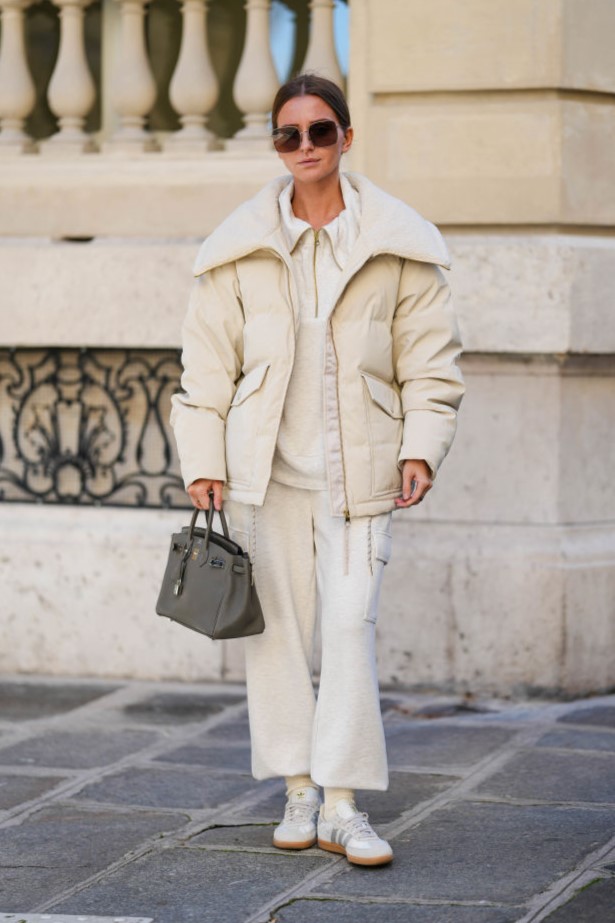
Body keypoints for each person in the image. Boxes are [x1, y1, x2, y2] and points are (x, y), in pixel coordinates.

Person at [171, 73, 464, 867]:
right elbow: (204, 376)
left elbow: (432, 372)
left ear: (345, 137)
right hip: (260, 479)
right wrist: (202, 460)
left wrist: (418, 447)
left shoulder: (397, 247)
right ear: (275, 144)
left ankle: (343, 803)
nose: (305, 147)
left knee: (347, 626)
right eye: (288, 135)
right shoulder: (235, 251)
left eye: (320, 131)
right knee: (274, 639)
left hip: (359, 476)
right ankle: (299, 785)